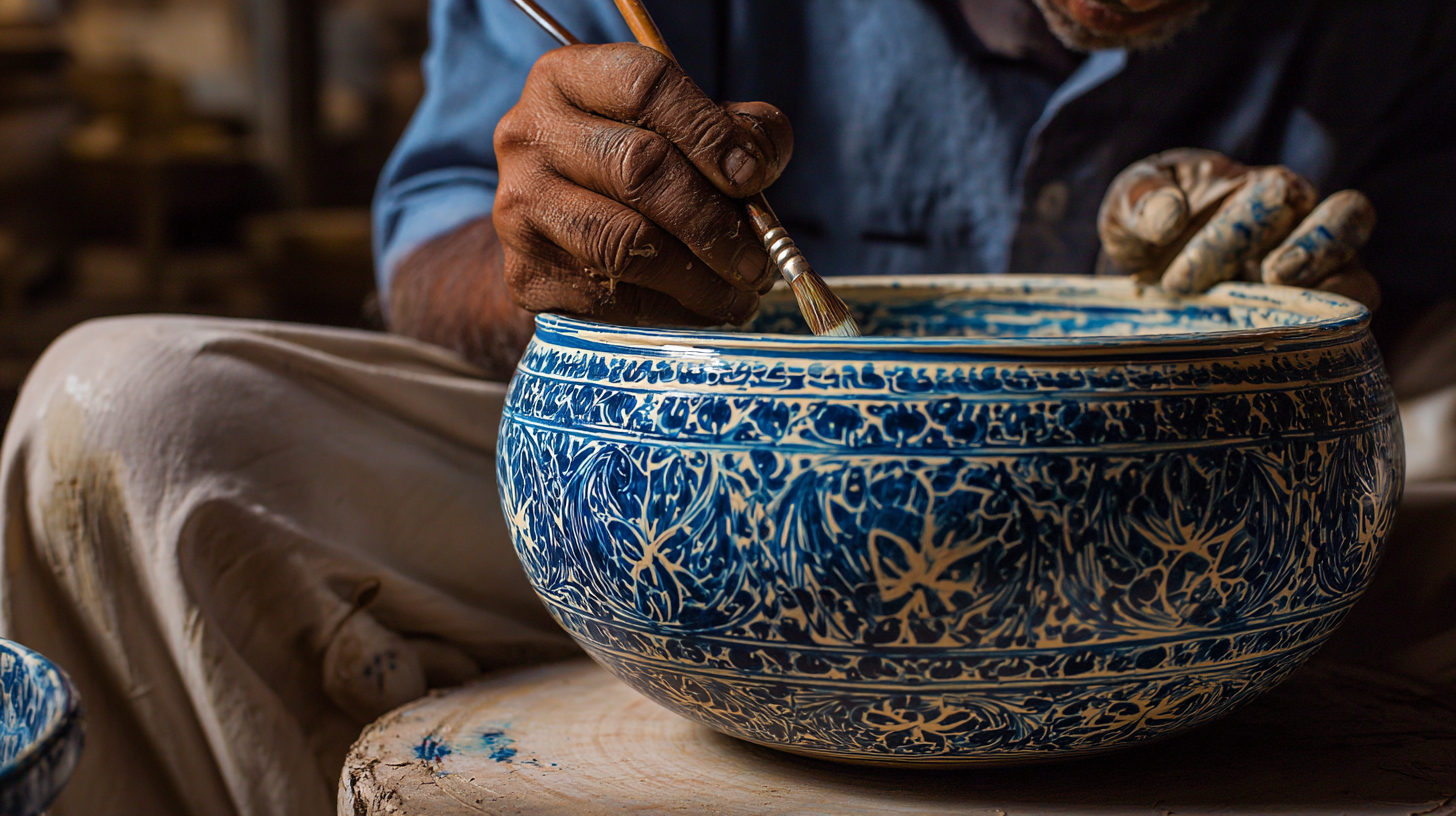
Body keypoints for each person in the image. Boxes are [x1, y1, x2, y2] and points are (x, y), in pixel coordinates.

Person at [2, 1, 1453, 813]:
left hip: (1189, 540)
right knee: (126, 417)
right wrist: (544, 252)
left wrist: (1275, 296)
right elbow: (441, 233)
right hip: (679, 537)